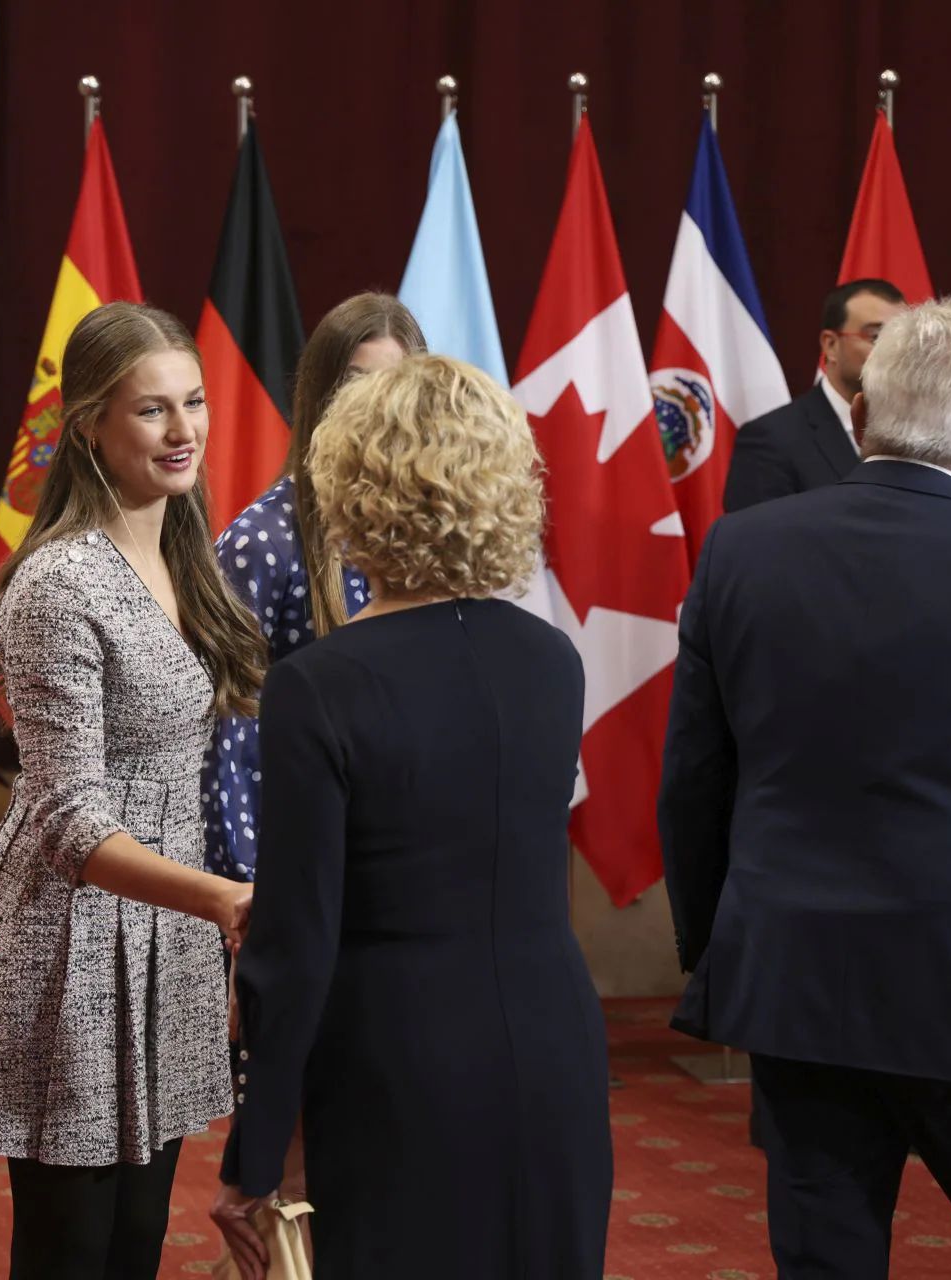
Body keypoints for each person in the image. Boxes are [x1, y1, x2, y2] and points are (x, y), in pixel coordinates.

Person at [661, 298, 951, 1278]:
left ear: (861, 411)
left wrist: (718, 954)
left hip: (795, 982)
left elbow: (693, 783)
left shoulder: (739, 553)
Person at [211, 355, 613, 1279]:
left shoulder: (319, 685)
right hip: (554, 1048)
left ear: (352, 490)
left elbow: (294, 945)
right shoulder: (552, 661)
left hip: (400, 1066)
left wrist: (255, 1156)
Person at [0, 301, 261, 1279]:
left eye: (195, 403)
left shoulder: (181, 549)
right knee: (71, 1254)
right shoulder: (58, 583)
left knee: (135, 1243)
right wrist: (222, 899)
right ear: (89, 423)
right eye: (151, 411)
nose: (184, 432)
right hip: (75, 945)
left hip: (166, 930)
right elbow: (66, 820)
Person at [202, 292, 426, 882]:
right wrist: (253, 895)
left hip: (399, 857)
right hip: (302, 867)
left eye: (394, 385)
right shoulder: (263, 543)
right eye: (354, 385)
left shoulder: (424, 536)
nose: (376, 407)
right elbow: (228, 739)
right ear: (320, 395)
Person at [722, 278, 905, 510]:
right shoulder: (772, 438)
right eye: (877, 337)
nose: (893, 352)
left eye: (901, 340)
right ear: (830, 345)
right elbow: (755, 539)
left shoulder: (916, 431)